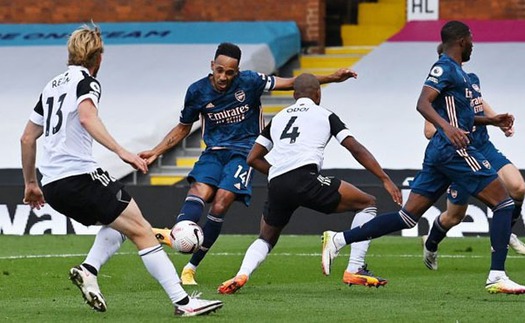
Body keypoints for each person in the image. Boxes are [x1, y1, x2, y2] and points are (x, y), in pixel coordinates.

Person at [20, 24, 222, 317]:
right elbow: (88, 118)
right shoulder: (87, 82)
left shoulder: (50, 86)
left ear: (70, 53)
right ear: (98, 57)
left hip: (52, 184)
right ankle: (183, 302)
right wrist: (122, 152)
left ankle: (89, 270)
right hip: (79, 176)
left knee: (122, 225)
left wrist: (30, 184)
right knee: (142, 231)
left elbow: (27, 138)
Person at [321, 20, 525, 294]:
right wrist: (447, 128)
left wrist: (491, 120)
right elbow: (422, 103)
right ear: (463, 41)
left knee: (407, 218)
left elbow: (459, 114)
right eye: (472, 40)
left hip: (443, 152)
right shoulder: (445, 67)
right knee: (503, 203)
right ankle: (497, 275)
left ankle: (338, 239)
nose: (474, 45)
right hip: (453, 149)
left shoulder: (461, 74)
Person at [139, 42, 358, 285]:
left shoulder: (251, 81)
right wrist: (156, 151)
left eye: (230, 72)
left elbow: (294, 82)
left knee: (221, 203)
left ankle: (190, 268)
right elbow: (183, 127)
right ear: (212, 66)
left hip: (244, 151)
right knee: (198, 191)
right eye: (219, 70)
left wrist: (332, 78)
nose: (223, 77)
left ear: (237, 71)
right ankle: (177, 233)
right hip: (214, 151)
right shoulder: (197, 91)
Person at [215, 73, 402, 294]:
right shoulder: (325, 114)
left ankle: (241, 274)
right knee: (367, 203)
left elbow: (252, 158)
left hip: (277, 184)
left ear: (294, 95)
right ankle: (355, 267)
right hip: (306, 178)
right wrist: (384, 178)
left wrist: (277, 172)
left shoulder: (279, 118)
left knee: (266, 237)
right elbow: (355, 148)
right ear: (318, 94)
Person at [423, 77, 525, 269]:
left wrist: (497, 120)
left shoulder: (471, 79)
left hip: (484, 147)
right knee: (454, 217)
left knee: (518, 188)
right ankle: (430, 244)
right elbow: (429, 132)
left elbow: (479, 101)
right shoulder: (439, 91)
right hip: (462, 156)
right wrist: (452, 126)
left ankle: (506, 233)